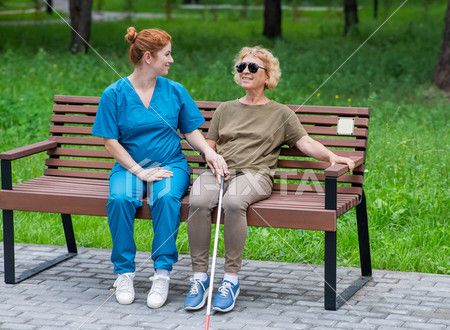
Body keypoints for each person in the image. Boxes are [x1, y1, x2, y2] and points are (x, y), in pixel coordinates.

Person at [184, 46, 355, 312]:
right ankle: (200, 278)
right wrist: (211, 157)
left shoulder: (281, 113)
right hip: (220, 171)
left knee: (232, 202)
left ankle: (230, 279)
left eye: (253, 67)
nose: (246, 72)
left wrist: (332, 156)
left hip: (255, 175)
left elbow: (305, 142)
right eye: (242, 67)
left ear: (268, 76)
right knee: (198, 200)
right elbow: (209, 144)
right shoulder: (225, 109)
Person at [92, 27, 227, 308]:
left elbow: (190, 130)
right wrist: (140, 172)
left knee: (165, 198)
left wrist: (208, 153)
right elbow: (110, 142)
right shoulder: (114, 94)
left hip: (170, 166)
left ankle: (162, 274)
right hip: (130, 168)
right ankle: (124, 273)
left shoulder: (175, 91)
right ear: (148, 57)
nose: (172, 60)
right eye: (167, 54)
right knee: (119, 199)